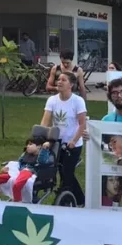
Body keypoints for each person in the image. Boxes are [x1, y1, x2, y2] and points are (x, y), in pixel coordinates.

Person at [41, 72, 87, 206]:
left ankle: (65, 199)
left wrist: (74, 140)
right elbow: (45, 121)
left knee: (67, 172)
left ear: (71, 84)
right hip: (56, 142)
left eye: (63, 80)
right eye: (58, 79)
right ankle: (80, 199)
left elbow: (82, 124)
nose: (59, 82)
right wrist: (42, 138)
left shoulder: (78, 101)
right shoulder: (52, 100)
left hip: (73, 143)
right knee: (59, 170)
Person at [0, 137, 53, 201]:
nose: (27, 146)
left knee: (17, 185)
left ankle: (17, 202)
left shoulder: (42, 155)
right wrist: (9, 167)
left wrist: (44, 149)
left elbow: (42, 161)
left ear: (39, 146)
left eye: (30, 144)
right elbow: (19, 162)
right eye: (27, 144)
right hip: (18, 171)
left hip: (29, 172)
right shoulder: (25, 154)